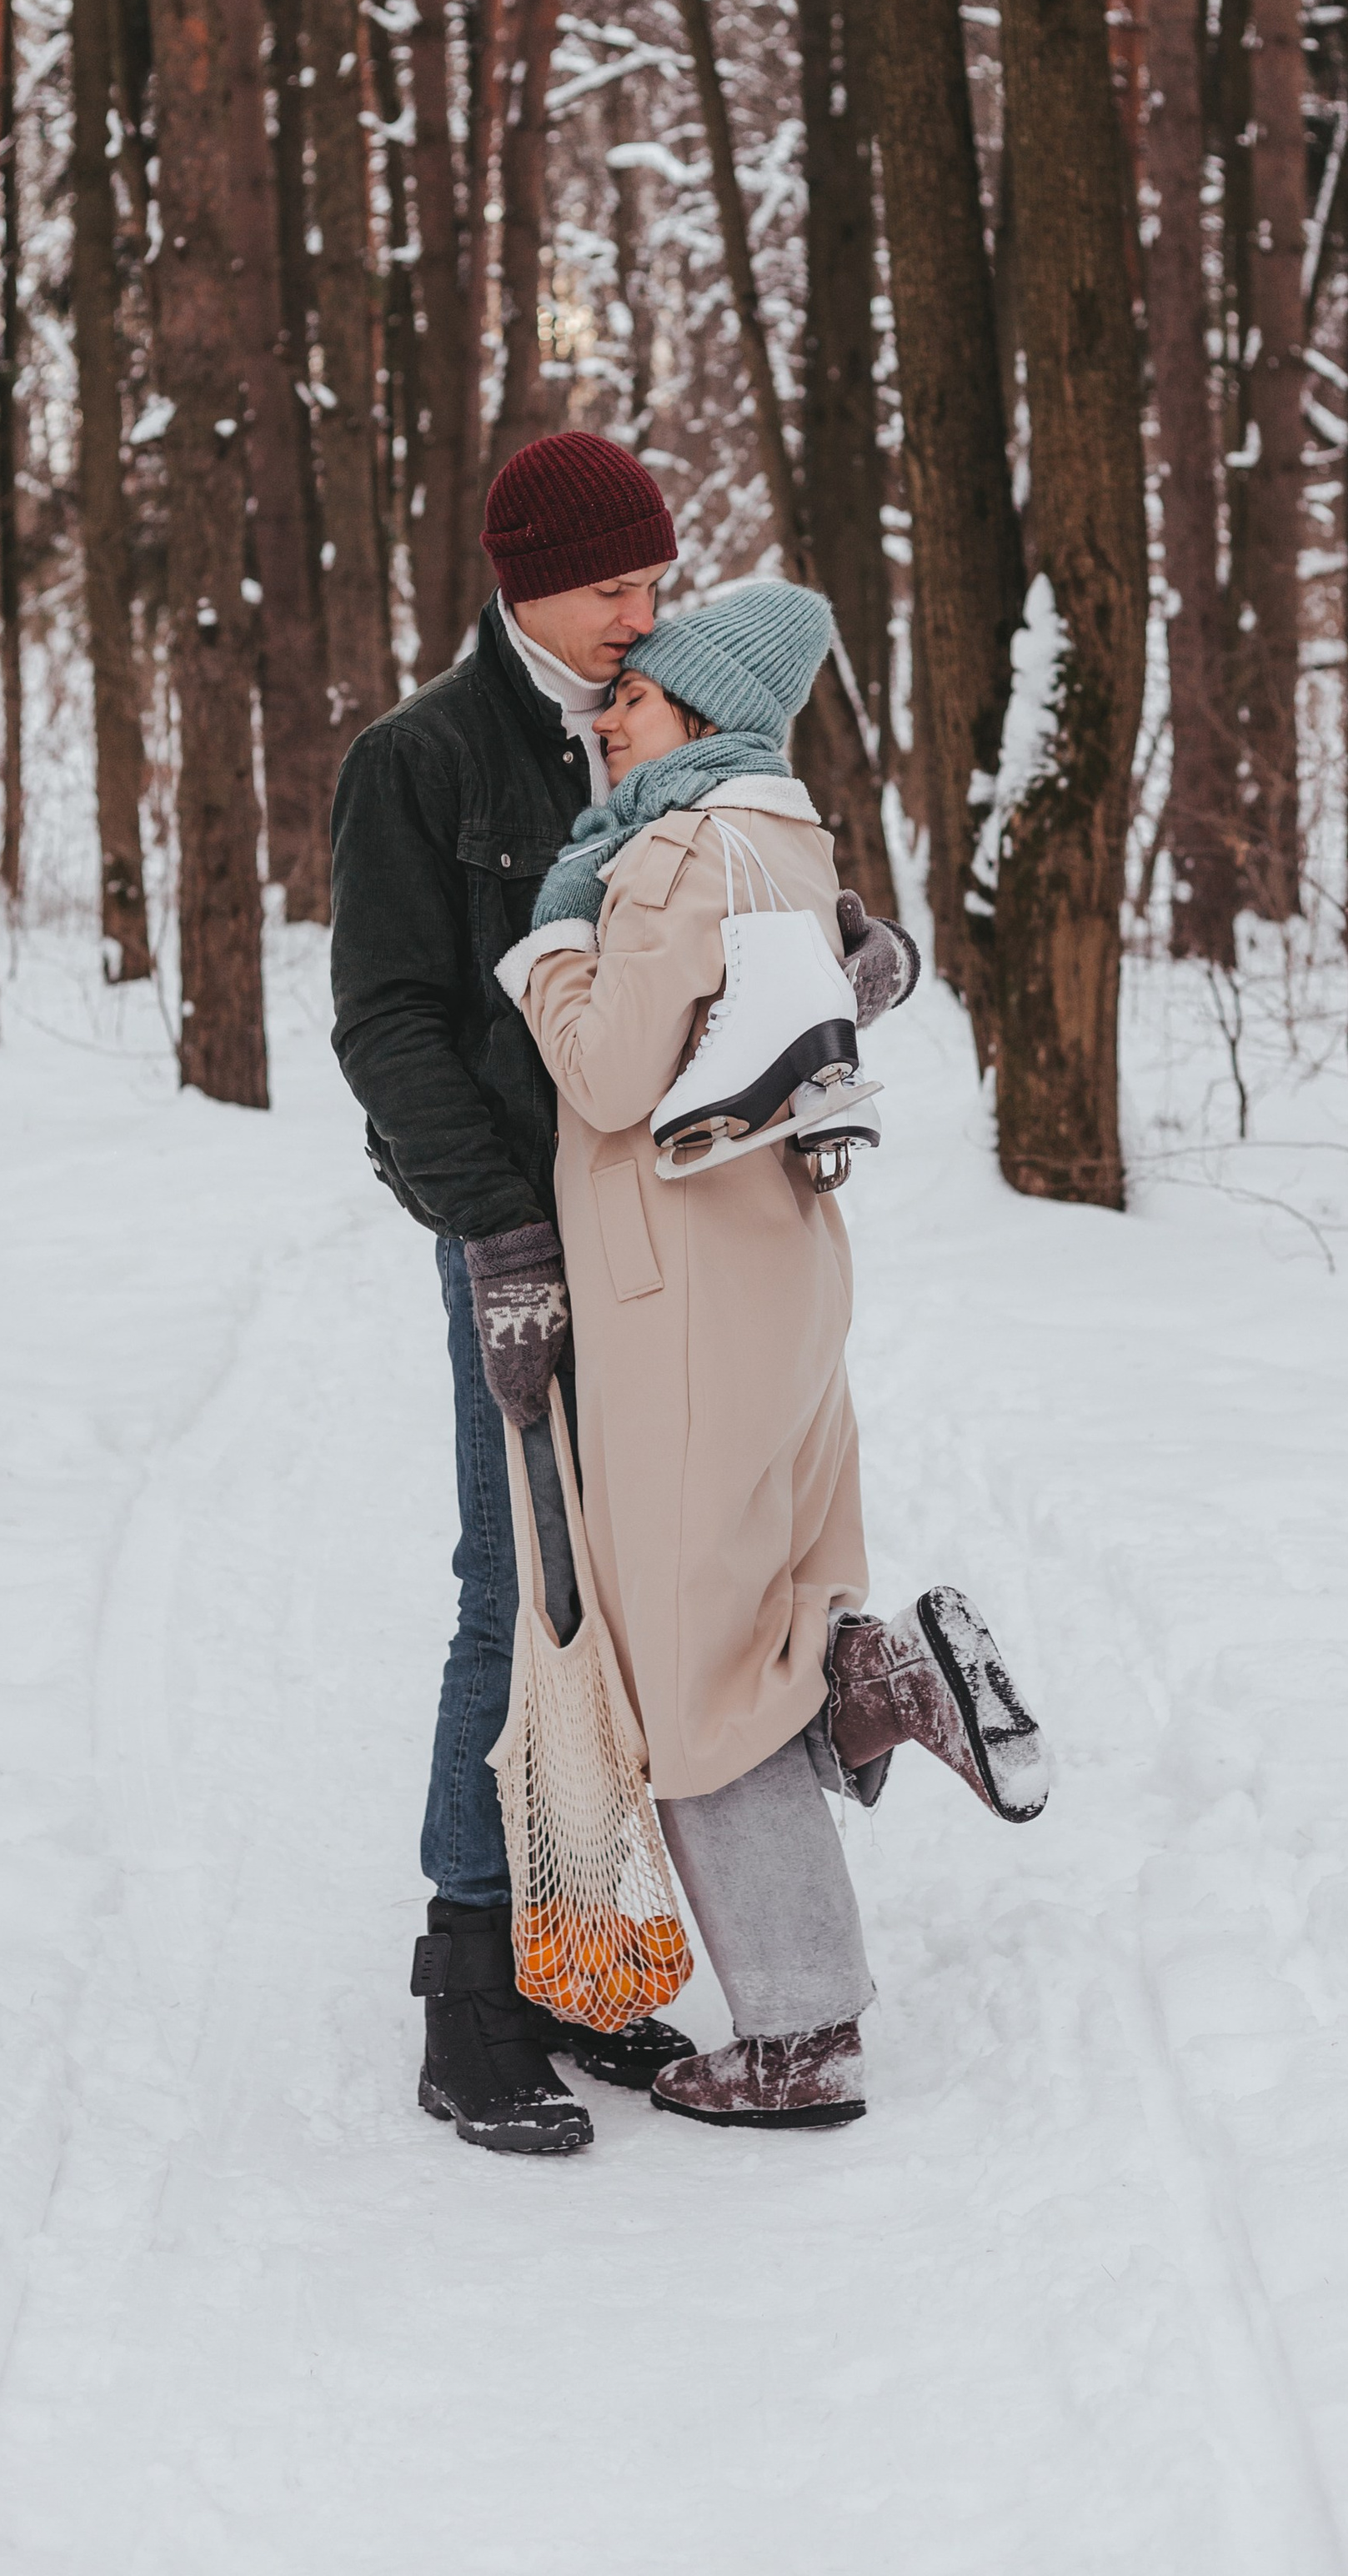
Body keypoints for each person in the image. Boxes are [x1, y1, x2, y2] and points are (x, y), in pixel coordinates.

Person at [327, 434, 920, 2158]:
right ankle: (471, 1990)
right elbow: (388, 1026)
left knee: (654, 1602)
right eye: (607, 590)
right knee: (520, 1591)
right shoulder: (421, 758)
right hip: (524, 1236)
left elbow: (745, 913)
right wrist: (495, 1239)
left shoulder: (667, 713)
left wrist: (855, 957)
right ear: (516, 579)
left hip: (676, 1248)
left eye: (654, 587)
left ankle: (580, 1960)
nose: (635, 621)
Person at [494, 579, 1047, 2131]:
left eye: (641, 701)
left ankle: (802, 2037)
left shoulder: (677, 850)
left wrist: (547, 949)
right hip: (779, 1273)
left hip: (677, 1295)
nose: (610, 718)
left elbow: (609, 1078)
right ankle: (876, 1678)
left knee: (686, 1674)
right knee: (755, 1615)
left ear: (707, 720)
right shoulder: (786, 836)